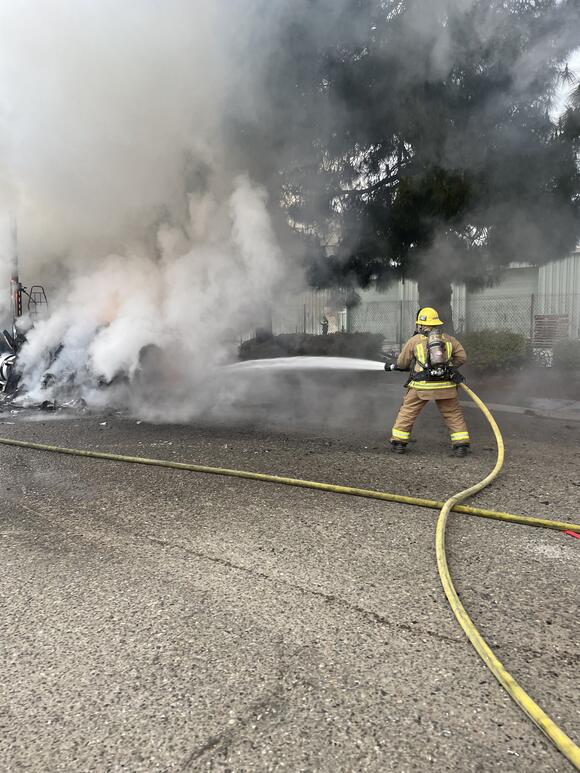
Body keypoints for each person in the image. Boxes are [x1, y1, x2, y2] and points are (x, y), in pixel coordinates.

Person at [387, 307, 470, 457]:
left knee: (408, 412)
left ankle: (399, 443)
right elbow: (462, 357)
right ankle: (461, 445)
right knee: (453, 414)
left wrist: (400, 366)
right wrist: (449, 367)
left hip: (421, 386)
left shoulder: (415, 341)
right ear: (437, 323)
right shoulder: (449, 339)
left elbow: (402, 363)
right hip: (446, 385)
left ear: (420, 324)